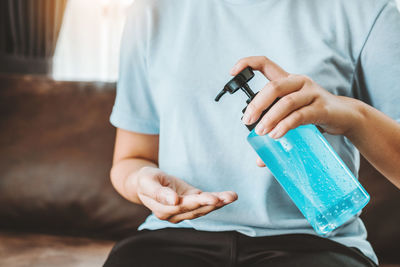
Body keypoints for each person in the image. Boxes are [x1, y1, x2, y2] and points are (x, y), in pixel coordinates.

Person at [103, 0, 400, 266]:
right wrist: (143, 183)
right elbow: (130, 159)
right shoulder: (151, 11)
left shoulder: (367, 11)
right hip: (172, 240)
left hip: (318, 245)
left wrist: (354, 117)